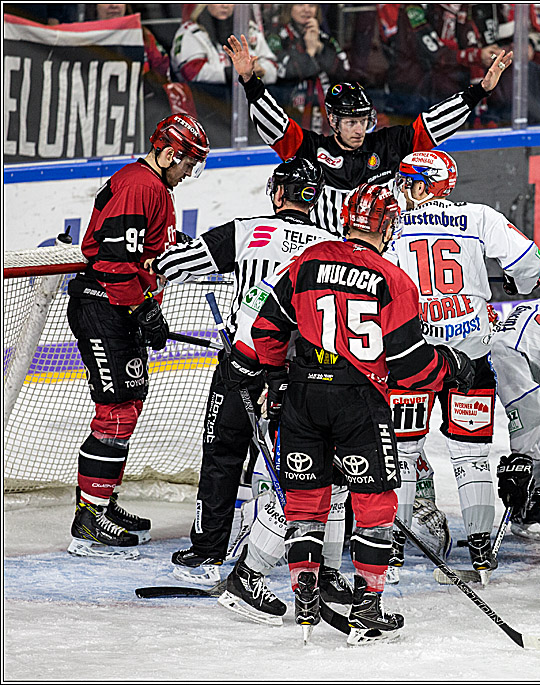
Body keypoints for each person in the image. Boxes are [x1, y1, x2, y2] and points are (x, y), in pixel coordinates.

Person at [226, 183, 474, 643]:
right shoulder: (393, 278)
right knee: (374, 503)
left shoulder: (307, 260)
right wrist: (451, 366)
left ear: (346, 217)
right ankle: (367, 609)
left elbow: (266, 328)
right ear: (389, 226)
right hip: (358, 400)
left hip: (302, 395)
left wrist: (278, 379)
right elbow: (409, 368)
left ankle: (305, 600)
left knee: (305, 502)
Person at [150, 157, 334, 584]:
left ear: (278, 193)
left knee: (223, 453)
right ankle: (281, 553)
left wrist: (168, 248)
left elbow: (173, 266)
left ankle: (208, 551)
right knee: (295, 461)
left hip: (243, 364)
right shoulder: (329, 247)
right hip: (300, 374)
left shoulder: (247, 230)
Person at [384, 149, 540, 584]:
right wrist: (519, 283)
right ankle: (479, 553)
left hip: (412, 357)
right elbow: (529, 261)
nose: (401, 189)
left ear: (420, 186)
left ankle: (392, 555)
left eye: (406, 181)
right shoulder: (478, 216)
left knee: (401, 453)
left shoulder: (392, 221)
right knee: (471, 454)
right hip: (469, 355)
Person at [65, 113, 209, 559]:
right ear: (168, 153)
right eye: (187, 163)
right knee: (116, 412)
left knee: (126, 408)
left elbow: (146, 247)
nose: (189, 173)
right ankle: (89, 517)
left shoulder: (152, 187)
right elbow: (112, 262)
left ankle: (101, 502)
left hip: (116, 311)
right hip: (104, 308)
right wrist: (143, 308)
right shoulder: (140, 185)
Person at [224, 31, 513, 235]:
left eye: (363, 120)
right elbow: (275, 125)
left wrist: (479, 92)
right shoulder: (310, 150)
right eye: (351, 122)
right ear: (333, 121)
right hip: (324, 255)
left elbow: (434, 123)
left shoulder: (387, 145)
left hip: (381, 251)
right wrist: (250, 82)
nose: (359, 129)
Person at [489, 292, 540, 540]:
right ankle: (538, 508)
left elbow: (534, 413)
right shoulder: (506, 348)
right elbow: (532, 414)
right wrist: (522, 461)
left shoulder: (507, 342)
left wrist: (522, 462)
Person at [265, 3, 351, 134]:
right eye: (300, 4)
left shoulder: (324, 38)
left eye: (311, 5)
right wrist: (310, 51)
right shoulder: (276, 37)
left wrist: (319, 47)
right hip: (287, 116)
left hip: (325, 120)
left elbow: (344, 71)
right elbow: (285, 73)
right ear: (289, 8)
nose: (306, 9)